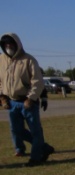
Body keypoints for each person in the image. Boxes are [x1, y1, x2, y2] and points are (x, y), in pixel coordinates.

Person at [0, 33, 54, 166]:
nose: (8, 47)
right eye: (5, 45)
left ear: (17, 44)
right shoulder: (1, 60)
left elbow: (38, 81)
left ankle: (36, 158)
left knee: (36, 131)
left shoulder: (28, 60)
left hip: (28, 101)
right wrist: (2, 96)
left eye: (11, 44)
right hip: (12, 102)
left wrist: (31, 98)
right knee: (17, 130)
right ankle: (44, 148)